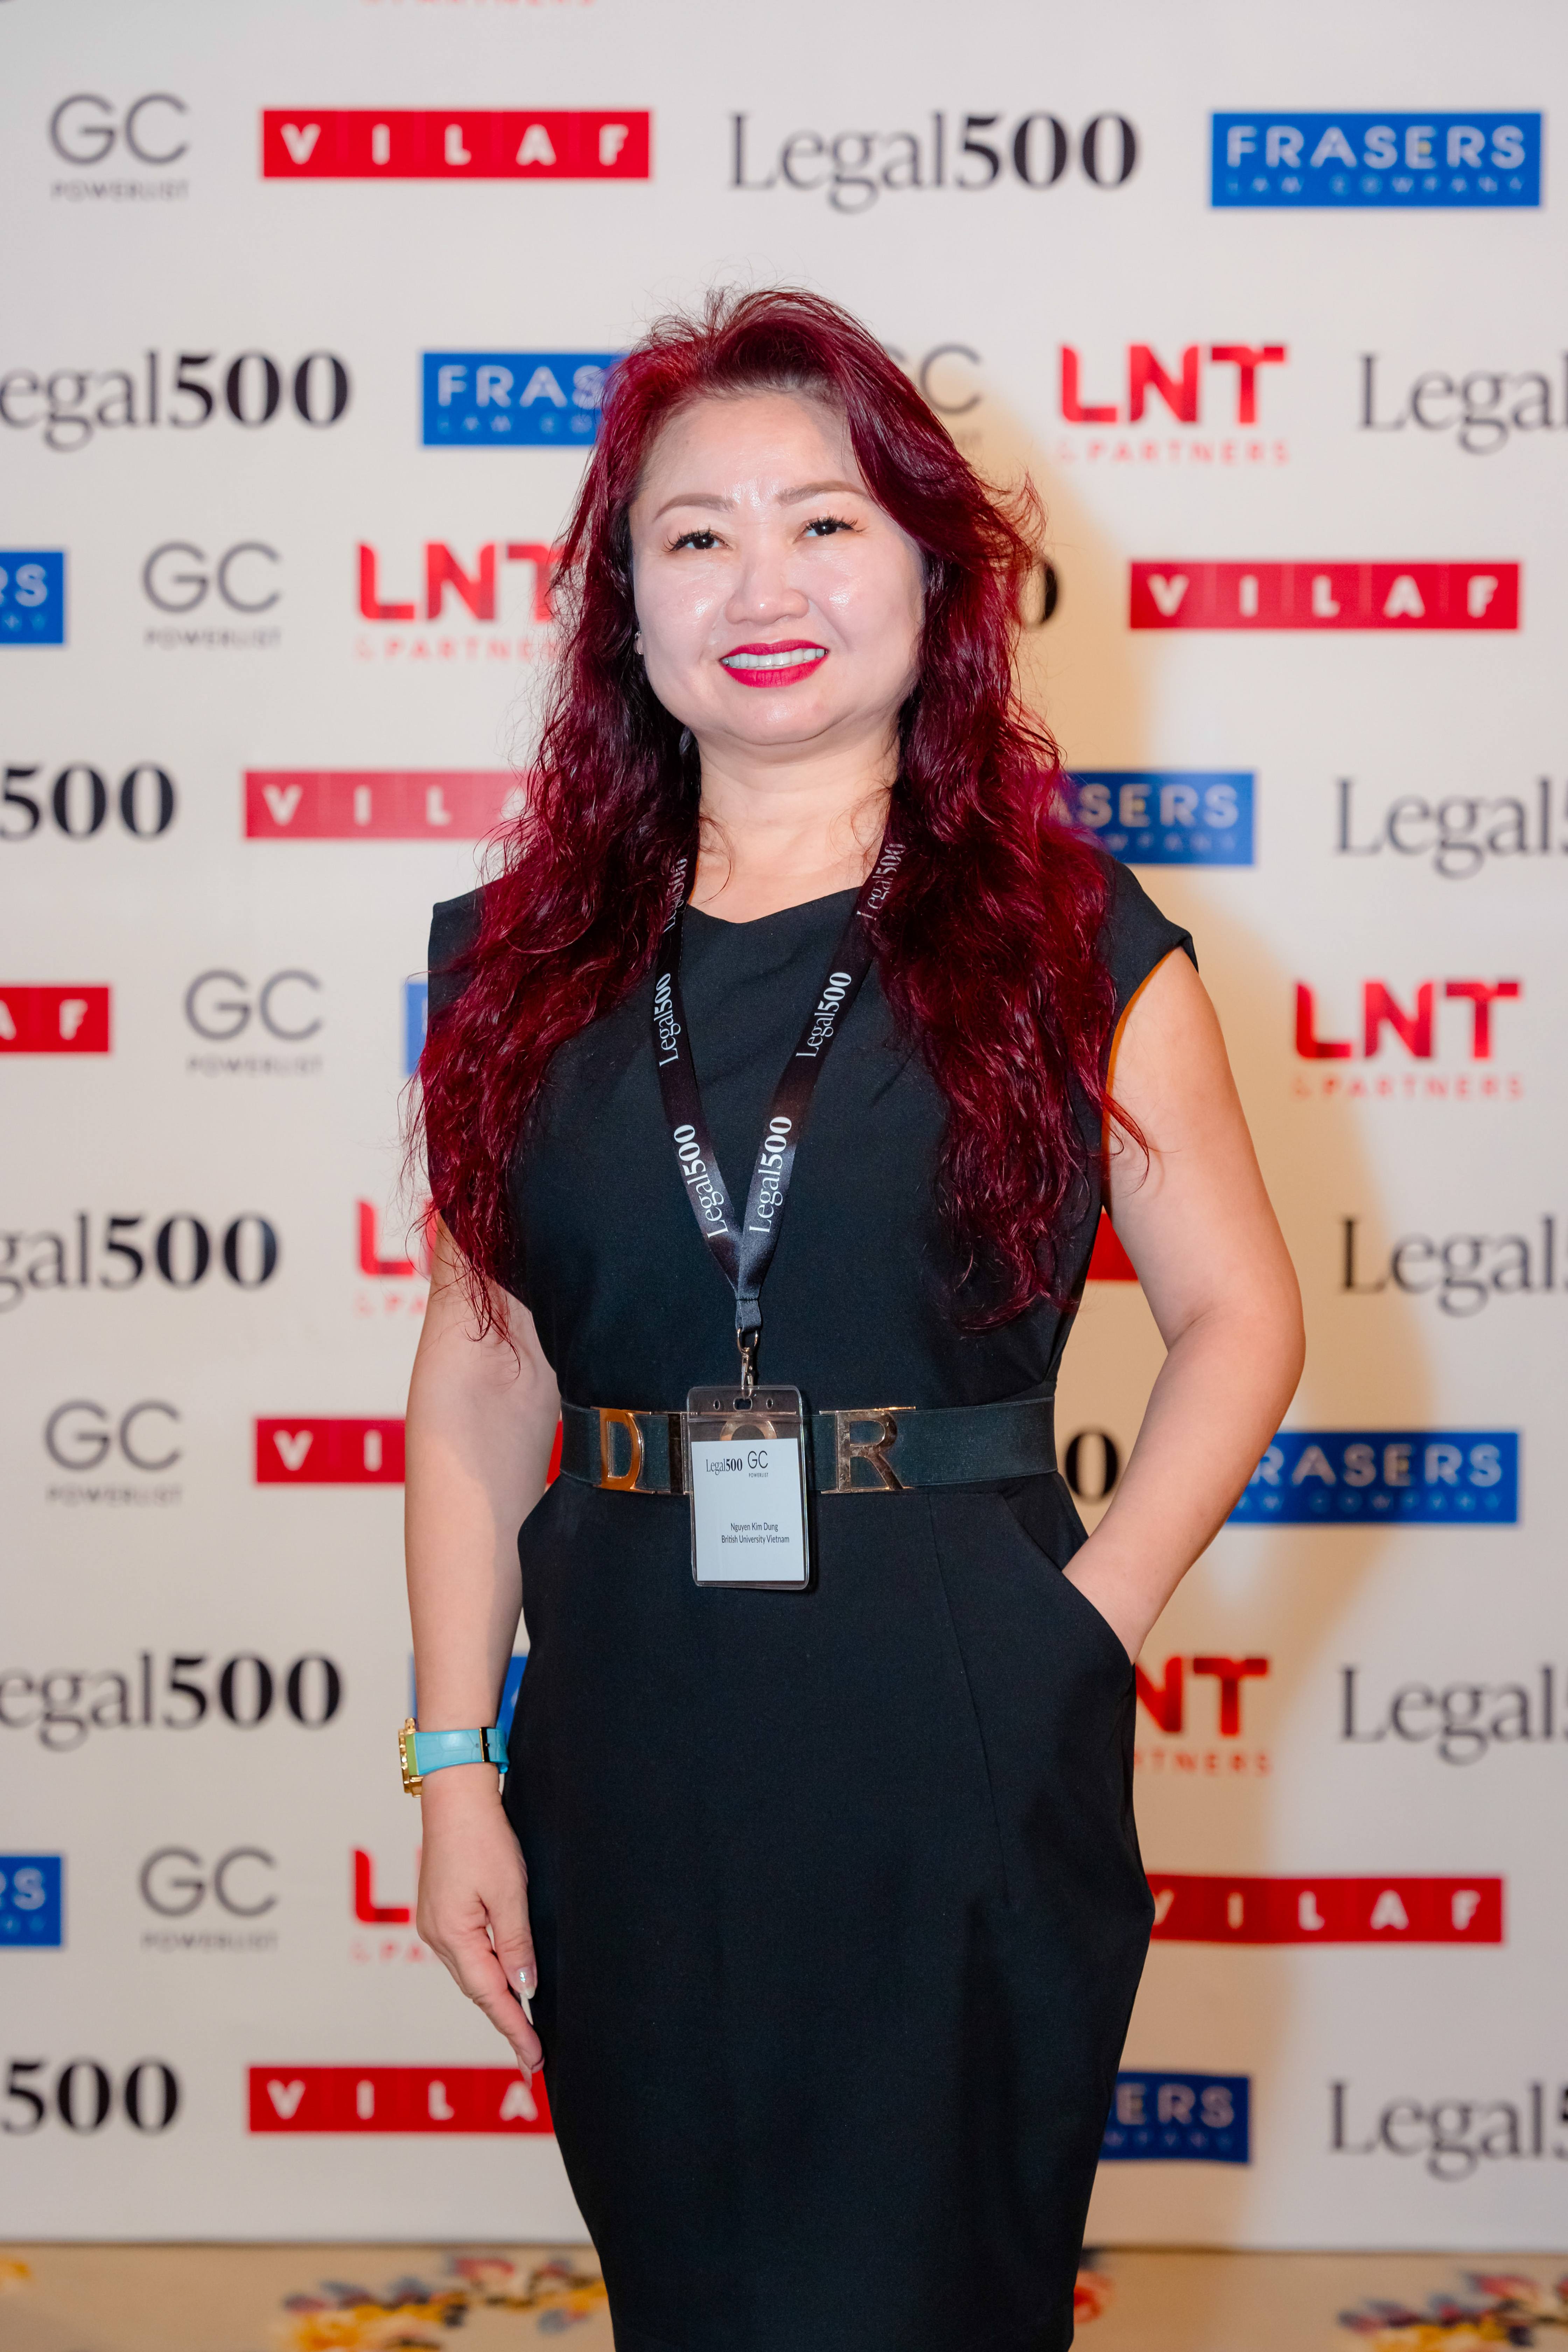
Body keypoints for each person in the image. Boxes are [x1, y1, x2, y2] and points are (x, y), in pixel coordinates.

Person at [402, 287, 1303, 2352]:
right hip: (626, 1721)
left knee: (931, 2295)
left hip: (955, 1702)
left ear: (931, 571)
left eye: (825, 522)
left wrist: (1083, 1627)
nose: (763, 585)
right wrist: (456, 1762)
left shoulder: (1071, 940)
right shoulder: (514, 959)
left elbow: (1242, 1317)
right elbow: (476, 1375)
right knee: (694, 2296)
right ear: (626, 608)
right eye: (694, 535)